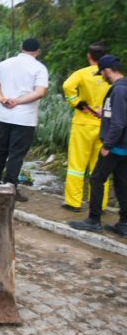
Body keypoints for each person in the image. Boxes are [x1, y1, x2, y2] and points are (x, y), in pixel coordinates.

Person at [70, 55, 127, 236]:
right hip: (124, 146)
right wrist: (106, 113)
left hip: (115, 146)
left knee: (96, 179)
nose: (101, 76)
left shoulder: (118, 90)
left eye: (101, 72)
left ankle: (93, 220)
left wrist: (107, 146)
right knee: (121, 183)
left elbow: (119, 123)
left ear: (107, 70)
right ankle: (124, 223)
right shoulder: (124, 86)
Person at [0, 38, 49, 202]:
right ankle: (10, 188)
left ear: (21, 48)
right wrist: (18, 101)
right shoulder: (39, 68)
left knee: (1, 149)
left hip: (4, 115)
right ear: (37, 52)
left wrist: (1, 98)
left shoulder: (5, 63)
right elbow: (40, 92)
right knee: (16, 154)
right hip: (24, 118)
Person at [61, 42, 112, 212]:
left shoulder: (82, 73)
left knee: (77, 166)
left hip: (83, 124)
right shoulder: (110, 75)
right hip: (105, 126)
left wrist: (77, 103)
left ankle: (74, 203)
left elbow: (67, 86)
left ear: (88, 56)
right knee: (100, 166)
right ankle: (99, 204)